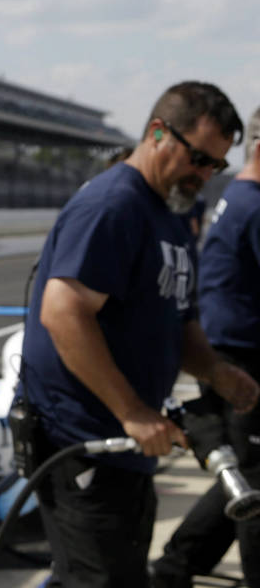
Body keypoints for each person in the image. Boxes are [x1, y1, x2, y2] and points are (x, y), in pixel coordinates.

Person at [18, 81, 259, 587]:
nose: (204, 175)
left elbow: (181, 317)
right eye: (198, 158)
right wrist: (132, 411)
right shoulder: (114, 205)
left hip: (126, 449)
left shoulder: (169, 215)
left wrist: (215, 371)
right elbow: (63, 314)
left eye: (215, 165)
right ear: (156, 133)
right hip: (82, 442)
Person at [151, 106, 260, 588]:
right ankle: (176, 566)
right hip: (239, 359)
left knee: (244, 477)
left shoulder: (239, 197)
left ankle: (175, 567)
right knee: (253, 483)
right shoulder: (253, 205)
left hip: (228, 353)